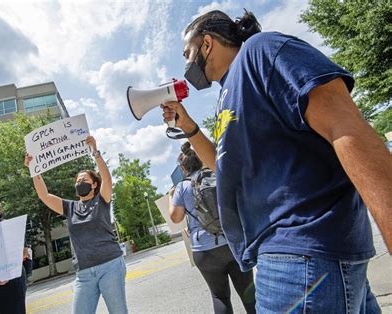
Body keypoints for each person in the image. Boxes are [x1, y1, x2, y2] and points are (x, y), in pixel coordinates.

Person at [162, 9, 391, 313]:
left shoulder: (261, 50)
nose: (187, 64)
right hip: (299, 256)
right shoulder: (229, 92)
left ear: (207, 44)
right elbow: (225, 168)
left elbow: (345, 127)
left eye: (187, 53)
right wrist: (189, 126)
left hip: (301, 253)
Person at [24, 136, 128, 314]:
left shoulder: (101, 200)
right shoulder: (70, 207)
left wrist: (95, 151)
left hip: (110, 265)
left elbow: (108, 180)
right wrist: (33, 170)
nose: (80, 183)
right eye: (77, 181)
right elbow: (45, 196)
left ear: (94, 184)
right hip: (84, 274)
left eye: (84, 180)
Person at [169, 142, 255, 313]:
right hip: (232, 242)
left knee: (219, 296)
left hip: (204, 250)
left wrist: (172, 196)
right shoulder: (218, 175)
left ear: (183, 167)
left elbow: (175, 217)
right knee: (249, 294)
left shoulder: (182, 187)